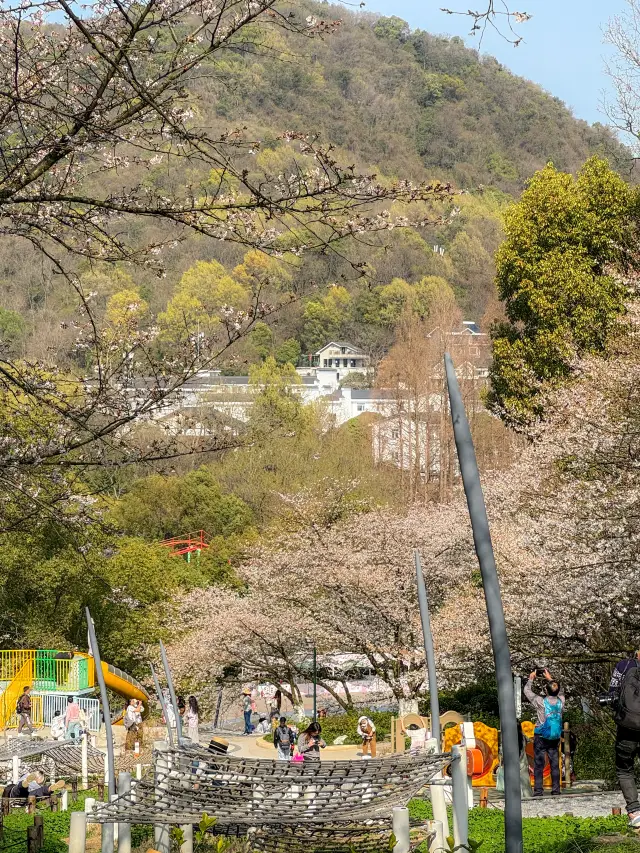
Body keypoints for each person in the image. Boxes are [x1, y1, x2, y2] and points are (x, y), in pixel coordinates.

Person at [609, 649, 640, 827]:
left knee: (624, 769)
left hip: (627, 727)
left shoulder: (624, 665)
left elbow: (612, 693)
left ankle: (635, 813)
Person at [524, 668, 564, 796]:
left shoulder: (541, 702)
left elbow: (527, 691)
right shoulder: (561, 702)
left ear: (546, 691)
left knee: (539, 764)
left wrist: (531, 678)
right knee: (554, 764)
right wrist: (550, 678)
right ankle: (556, 790)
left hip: (541, 736)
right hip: (555, 736)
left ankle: (538, 791)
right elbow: (561, 691)